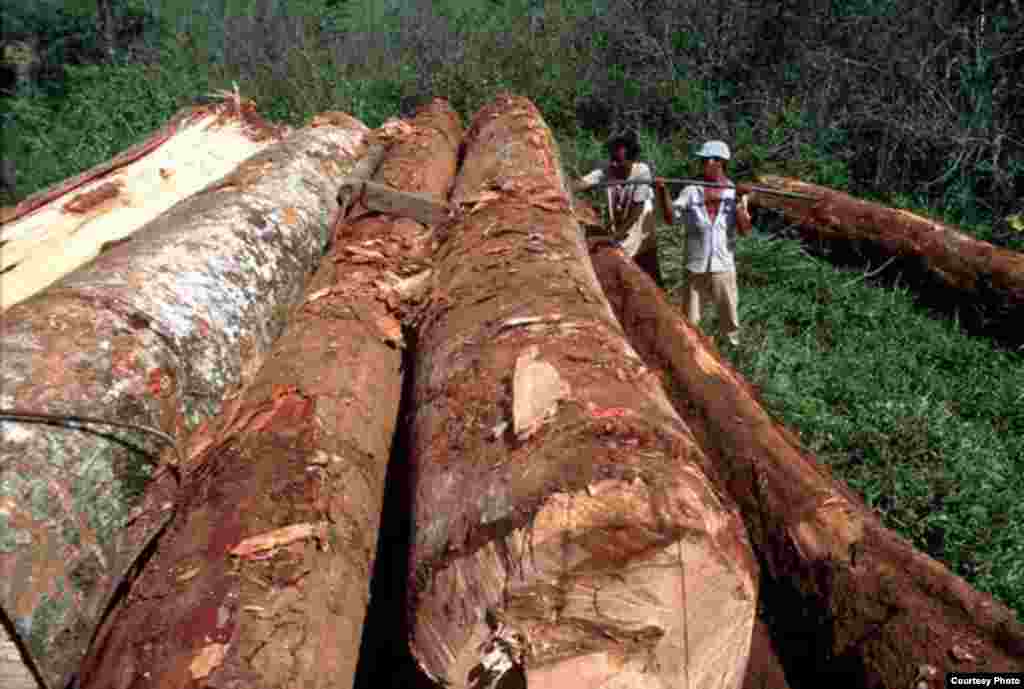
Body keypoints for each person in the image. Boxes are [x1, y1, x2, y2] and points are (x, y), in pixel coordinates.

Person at [656, 140, 752, 345]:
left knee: (729, 316)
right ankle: (690, 348)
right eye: (702, 160)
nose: (702, 164)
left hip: (723, 263)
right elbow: (671, 218)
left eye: (706, 160)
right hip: (695, 263)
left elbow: (745, 230)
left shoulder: (735, 193)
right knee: (690, 318)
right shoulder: (692, 191)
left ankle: (732, 348)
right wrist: (662, 191)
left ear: (718, 162)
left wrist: (739, 203)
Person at [575, 131, 663, 286]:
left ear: (631, 160)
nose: (614, 164)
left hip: (640, 235)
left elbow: (637, 209)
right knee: (622, 281)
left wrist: (615, 236)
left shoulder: (641, 171)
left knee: (650, 281)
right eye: (612, 159)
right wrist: (560, 186)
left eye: (618, 160)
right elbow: (582, 183)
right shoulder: (608, 170)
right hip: (619, 233)